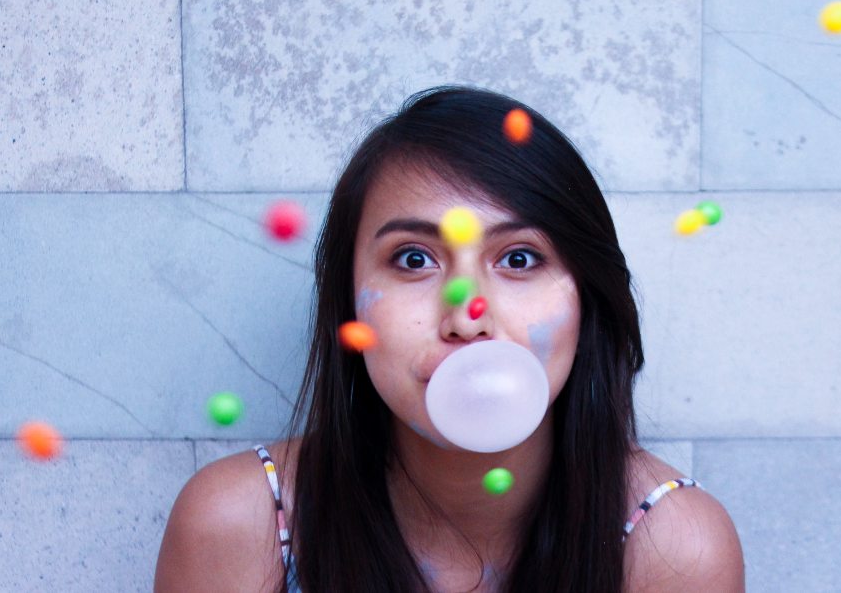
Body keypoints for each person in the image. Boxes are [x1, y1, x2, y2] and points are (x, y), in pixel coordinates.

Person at [154, 86, 744, 592]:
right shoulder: (240, 523)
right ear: (348, 304)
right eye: (413, 259)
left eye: (518, 258)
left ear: (588, 299)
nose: (466, 316)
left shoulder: (676, 546)